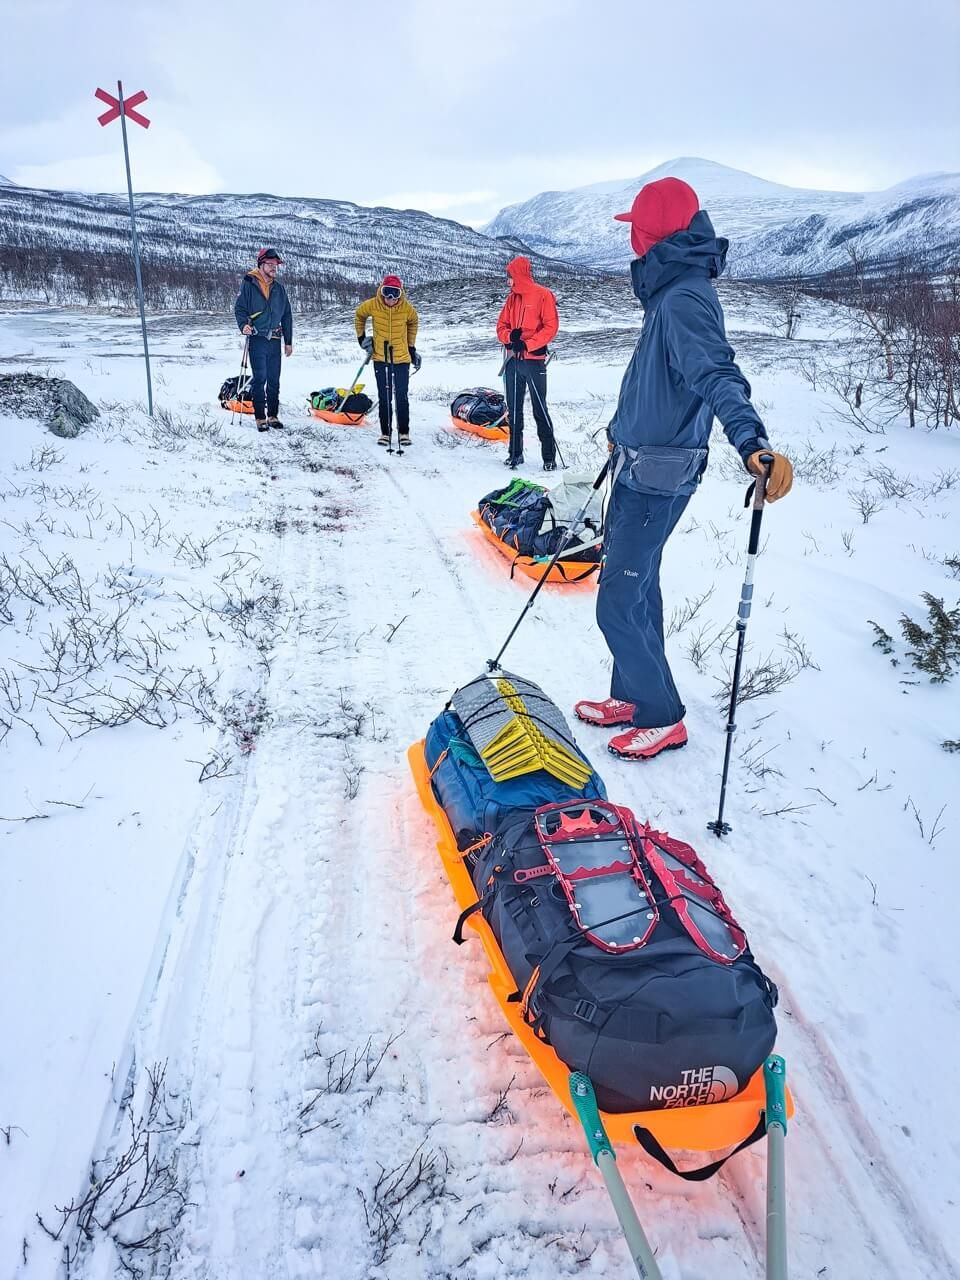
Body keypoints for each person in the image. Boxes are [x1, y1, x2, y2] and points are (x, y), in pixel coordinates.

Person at [574, 177, 794, 761]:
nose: (631, 241)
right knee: (637, 585)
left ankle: (662, 717)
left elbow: (717, 373)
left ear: (651, 236)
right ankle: (633, 695)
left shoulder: (682, 299)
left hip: (658, 475)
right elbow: (658, 384)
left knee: (617, 599)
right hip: (638, 465)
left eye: (636, 230)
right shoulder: (671, 290)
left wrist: (751, 442)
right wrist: (621, 432)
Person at [495, 256, 559, 470]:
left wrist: (528, 344)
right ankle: (515, 454)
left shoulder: (543, 295)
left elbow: (551, 327)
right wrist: (510, 337)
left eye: (510, 276)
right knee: (514, 410)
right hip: (512, 361)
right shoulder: (511, 299)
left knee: (540, 409)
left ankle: (549, 458)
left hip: (534, 362)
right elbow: (500, 327)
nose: (508, 281)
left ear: (518, 275)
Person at [354, 275, 420, 446]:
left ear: (400, 293)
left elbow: (413, 322)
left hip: (402, 359)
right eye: (387, 292)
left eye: (395, 293)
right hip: (380, 357)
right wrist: (362, 338)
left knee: (401, 397)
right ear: (381, 291)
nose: (390, 298)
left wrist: (411, 347)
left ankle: (404, 432)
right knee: (384, 397)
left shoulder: (407, 308)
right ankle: (385, 433)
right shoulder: (373, 304)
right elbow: (359, 315)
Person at [234, 248, 293, 432]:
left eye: (276, 265)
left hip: (275, 339)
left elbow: (287, 315)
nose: (274, 267)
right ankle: (260, 417)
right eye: (270, 264)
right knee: (260, 379)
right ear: (261, 264)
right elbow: (239, 308)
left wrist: (288, 341)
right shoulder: (249, 283)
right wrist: (243, 325)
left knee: (274, 380)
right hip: (257, 338)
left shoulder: (279, 288)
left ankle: (273, 416)